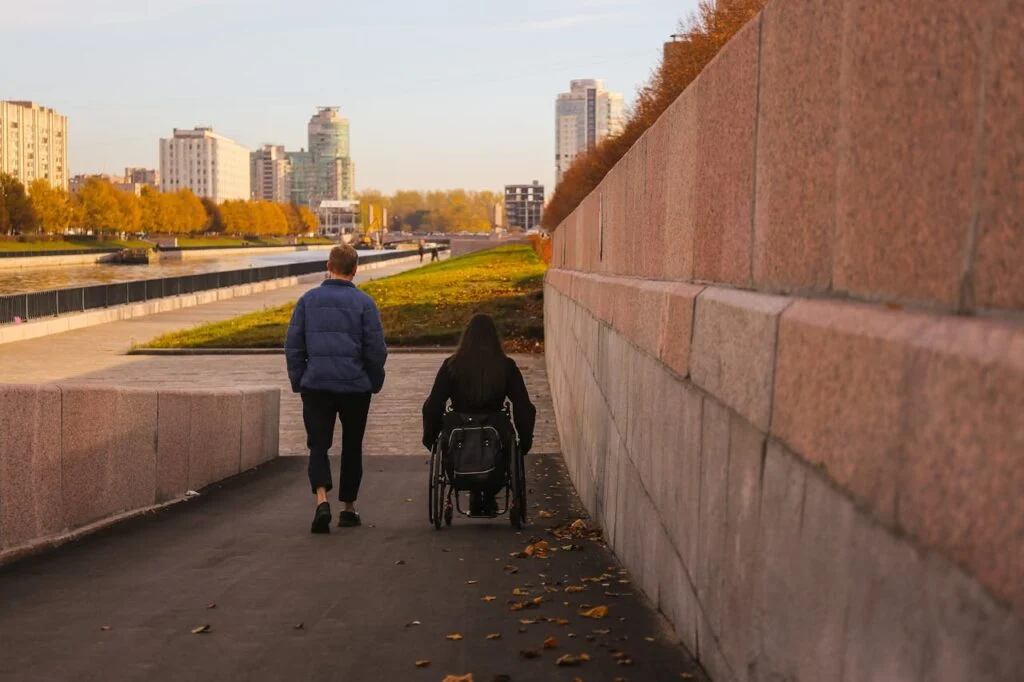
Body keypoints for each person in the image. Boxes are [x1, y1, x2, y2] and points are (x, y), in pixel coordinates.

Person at [286, 245, 388, 534]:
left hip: (316, 386)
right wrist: (373, 381)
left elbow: (293, 347)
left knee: (318, 444)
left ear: (328, 265)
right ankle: (348, 507)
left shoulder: (307, 301)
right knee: (352, 446)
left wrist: (300, 380)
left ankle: (321, 500)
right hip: (355, 387)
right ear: (355, 269)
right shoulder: (365, 304)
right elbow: (376, 350)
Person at [422, 314, 536, 516]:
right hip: (495, 426)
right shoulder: (505, 366)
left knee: (452, 441)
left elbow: (434, 404)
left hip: (459, 426)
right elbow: (523, 406)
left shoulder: (452, 365)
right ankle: (488, 491)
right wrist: (525, 441)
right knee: (502, 445)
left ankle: (471, 488)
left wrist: (430, 437)